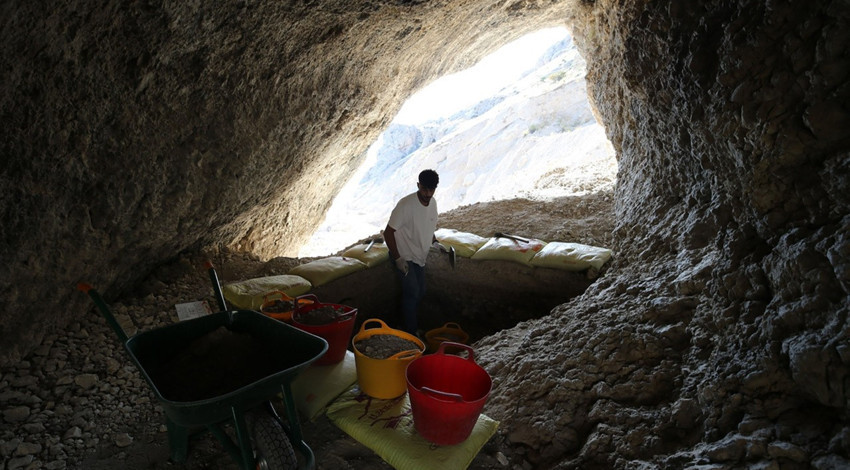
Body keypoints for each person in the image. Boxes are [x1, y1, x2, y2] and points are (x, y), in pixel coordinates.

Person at [383, 169, 446, 336]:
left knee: (421, 291)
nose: (428, 193)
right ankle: (410, 332)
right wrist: (398, 259)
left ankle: (406, 322)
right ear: (418, 185)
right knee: (412, 292)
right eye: (424, 189)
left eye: (431, 190)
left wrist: (435, 242)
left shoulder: (433, 203)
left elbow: (429, 224)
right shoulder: (405, 205)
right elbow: (388, 233)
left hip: (419, 256)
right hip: (404, 255)